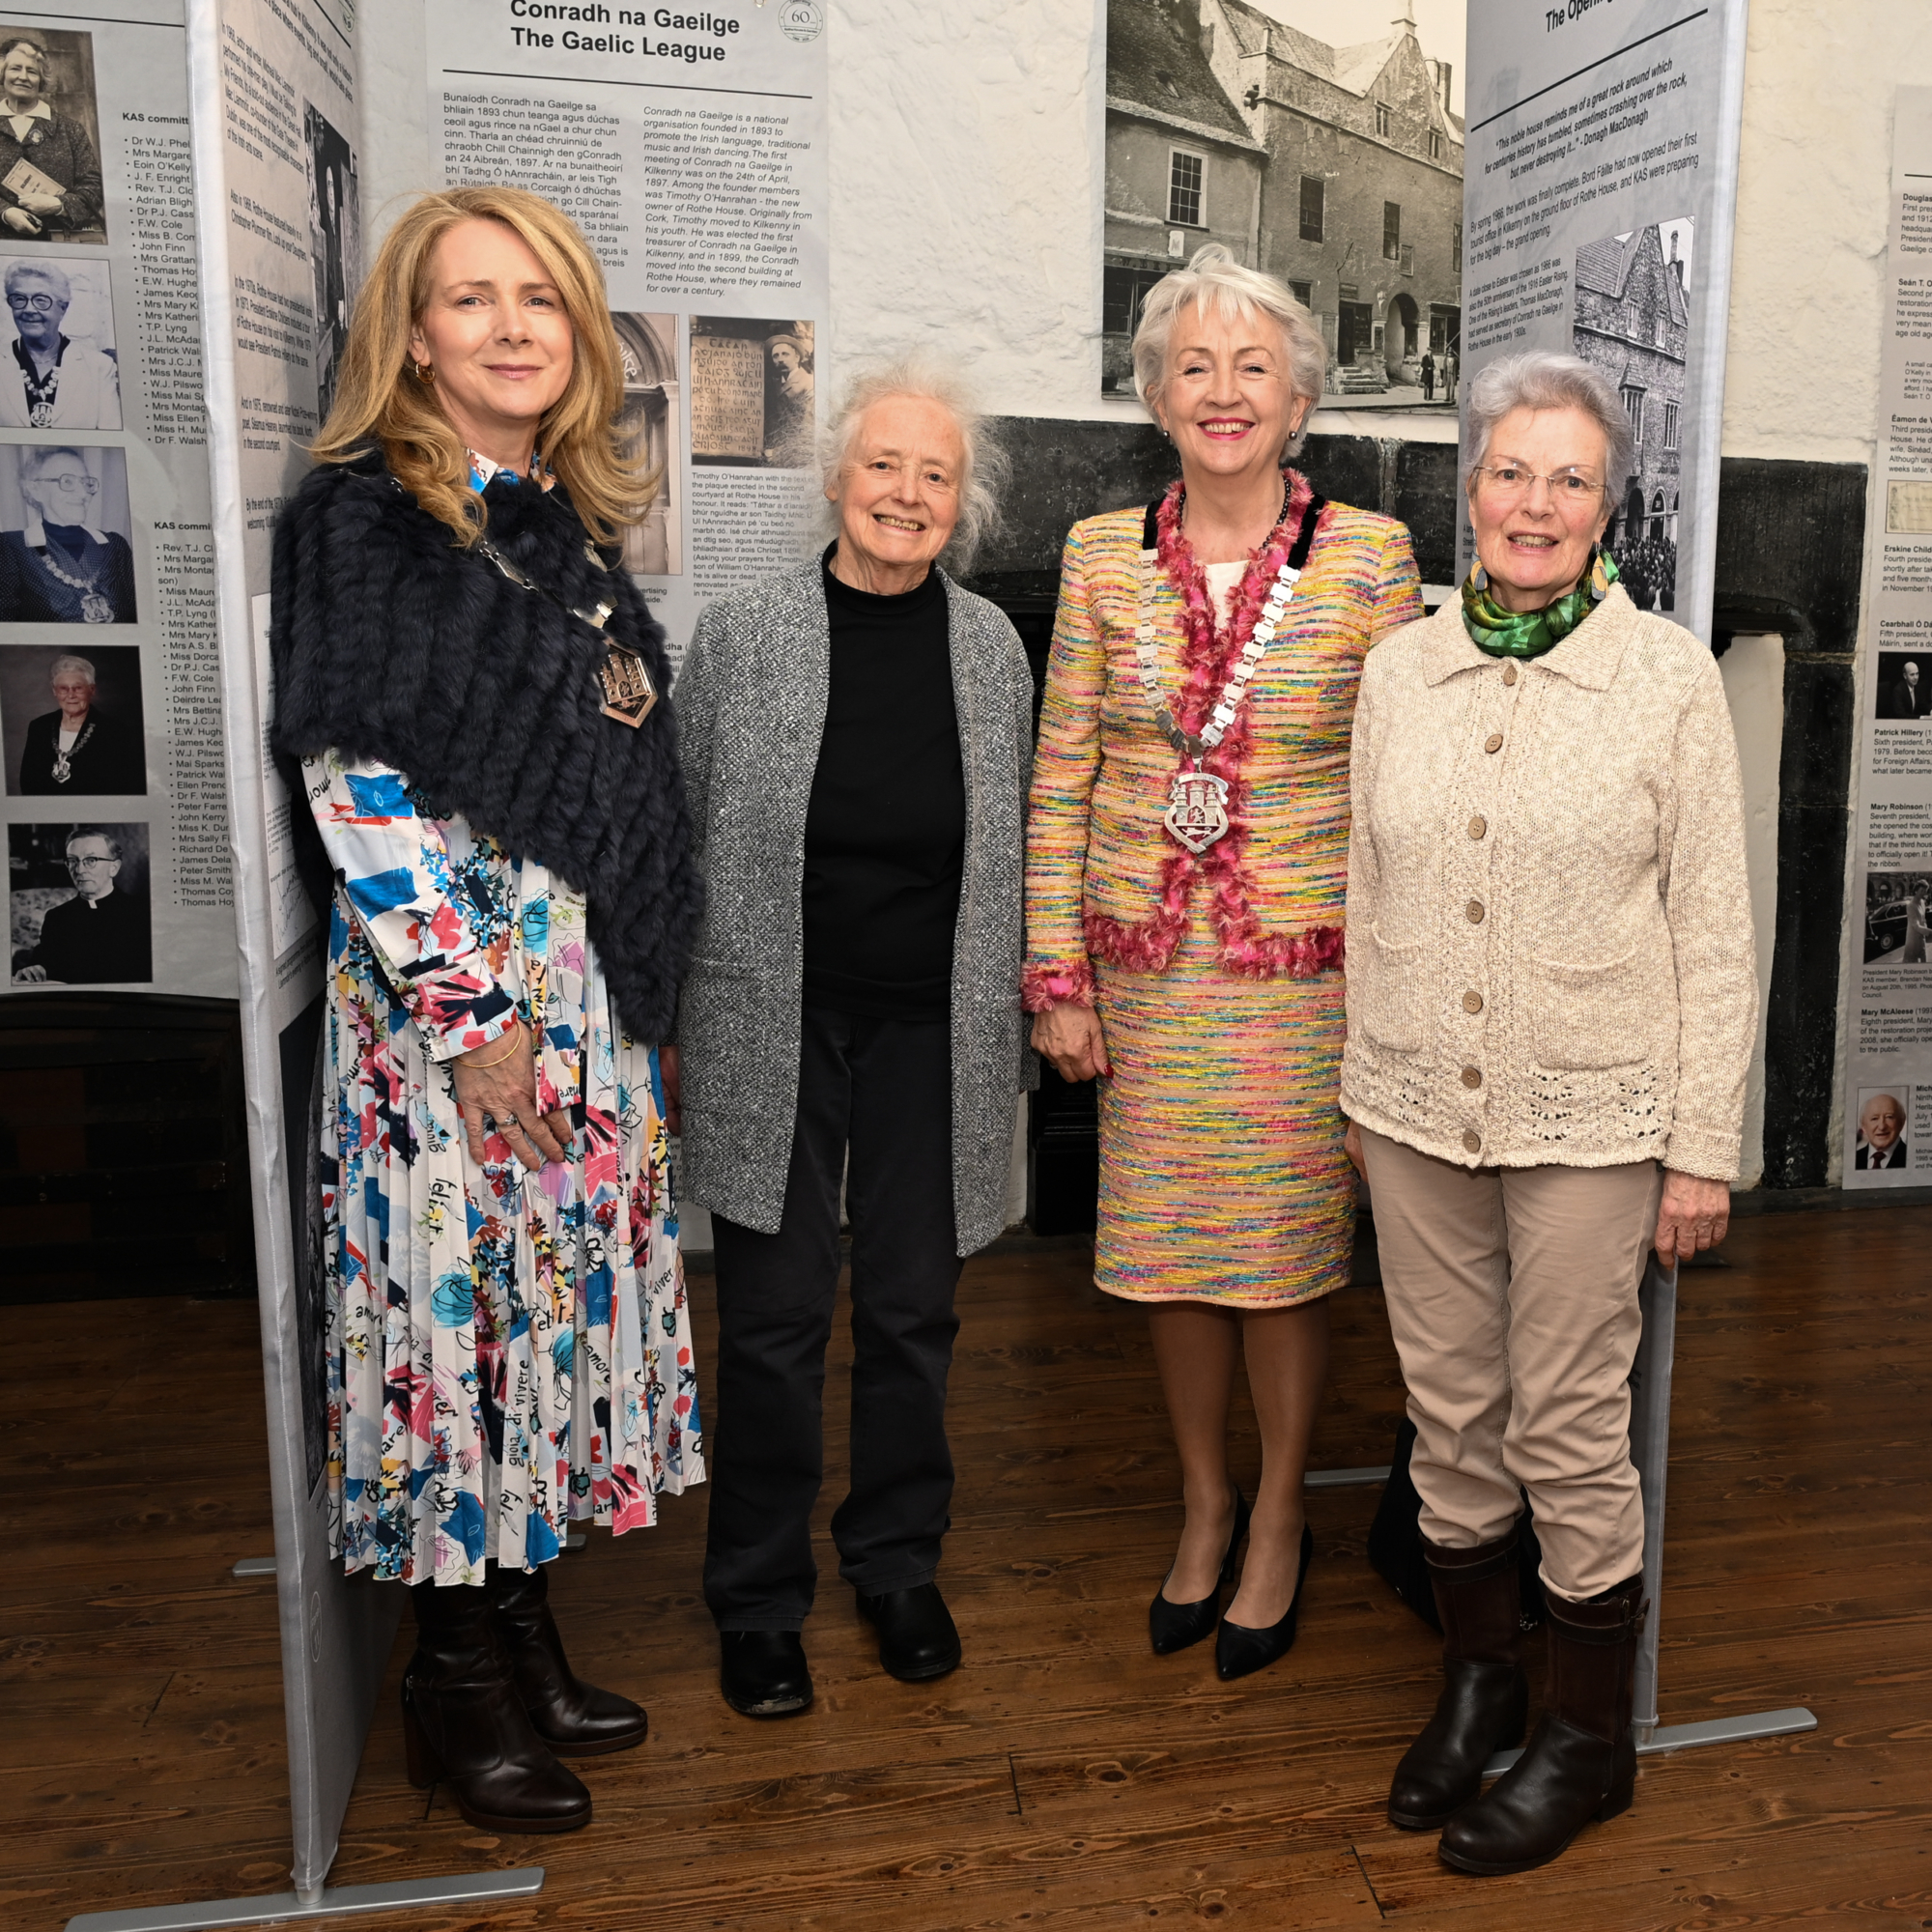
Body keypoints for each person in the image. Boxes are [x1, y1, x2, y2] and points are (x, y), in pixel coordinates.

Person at [270, 185, 703, 1836]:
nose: (514, 327)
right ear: (411, 335)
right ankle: (452, 1684)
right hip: (457, 1023)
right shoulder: (366, 519)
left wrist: (618, 997)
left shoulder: (551, 521)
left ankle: (518, 1634)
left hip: (573, 999)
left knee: (539, 1319)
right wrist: (474, 1018)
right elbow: (355, 784)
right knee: (456, 1334)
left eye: (541, 298)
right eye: (472, 299)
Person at [1343, 350, 1756, 1876]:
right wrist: (1361, 1086)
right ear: (1471, 488)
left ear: (1607, 506)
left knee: (1569, 1427)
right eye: (1512, 472)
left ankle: (1588, 1742)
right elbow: (1368, 887)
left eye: (1569, 479)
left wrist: (1701, 1149)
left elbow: (1716, 929)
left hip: (1594, 1116)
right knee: (1451, 1413)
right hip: (1411, 1110)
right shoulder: (1402, 669)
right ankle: (1481, 1685)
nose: (1537, 503)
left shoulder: (1669, 681)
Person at [1024, 243, 1422, 1683]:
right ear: (1154, 396)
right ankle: (1204, 1502)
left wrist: (1394, 1000)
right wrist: (1056, 976)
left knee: (1285, 1255)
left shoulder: (1370, 558)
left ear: (1300, 397)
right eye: (1193, 365)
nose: (1223, 390)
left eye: (1253, 365)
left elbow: (1400, 791)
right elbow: (1062, 770)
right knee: (1170, 1255)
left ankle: (1280, 1517)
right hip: (1147, 973)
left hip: (1307, 979)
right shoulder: (1098, 555)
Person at [675, 355, 1035, 1720]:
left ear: (962, 504)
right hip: (774, 1016)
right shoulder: (745, 636)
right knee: (772, 1318)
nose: (906, 492)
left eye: (935, 474)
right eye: (884, 464)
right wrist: (666, 1014)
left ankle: (895, 1561)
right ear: (835, 478)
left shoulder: (991, 650)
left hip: (934, 1028)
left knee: (911, 1309)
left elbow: (1012, 842)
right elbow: (683, 828)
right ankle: (757, 1594)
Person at [0, 444, 136, 623]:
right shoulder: (11, 547)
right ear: (35, 489)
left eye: (86, 483)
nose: (83, 493)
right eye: (67, 482)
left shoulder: (115, 545)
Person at [12, 825, 150, 982]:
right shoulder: (57, 917)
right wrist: (34, 969)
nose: (79, 870)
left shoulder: (143, 912)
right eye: (72, 861)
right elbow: (42, 963)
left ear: (114, 867)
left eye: (91, 860)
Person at [0, 36, 103, 240]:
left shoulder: (71, 130)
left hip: (61, 243)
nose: (23, 77)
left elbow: (94, 188)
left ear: (41, 80)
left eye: (32, 71)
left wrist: (58, 205)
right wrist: (5, 212)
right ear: (2, 73)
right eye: (15, 69)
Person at [0, 261, 119, 428]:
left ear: (62, 308)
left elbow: (111, 434)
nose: (29, 310)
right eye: (19, 299)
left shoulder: (99, 367)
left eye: (41, 300)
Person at [16, 651, 144, 793]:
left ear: (92, 689)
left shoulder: (114, 732)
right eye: (63, 689)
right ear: (54, 691)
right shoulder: (39, 727)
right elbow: (28, 782)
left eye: (78, 688)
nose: (71, 695)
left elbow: (121, 787)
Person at [763, 327, 815, 468]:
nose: (780, 359)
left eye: (785, 354)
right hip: (770, 452)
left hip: (796, 453)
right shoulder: (773, 384)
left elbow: (809, 425)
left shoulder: (809, 382)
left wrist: (780, 452)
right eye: (776, 356)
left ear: (797, 358)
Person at [1855, 1092, 1909, 1169]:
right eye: (1874, 1118)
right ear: (1864, 1126)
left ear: (1901, 1122)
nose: (1882, 1127)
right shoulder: (1853, 1159)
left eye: (1889, 1117)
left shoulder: (1912, 1157)